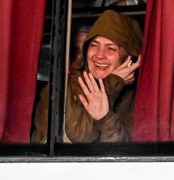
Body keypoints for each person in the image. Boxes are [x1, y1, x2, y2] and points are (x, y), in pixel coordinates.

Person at [31, 10, 142, 143]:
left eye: (111, 48)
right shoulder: (64, 88)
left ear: (128, 59)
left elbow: (121, 154)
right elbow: (78, 141)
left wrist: (106, 117)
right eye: (94, 45)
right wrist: (109, 87)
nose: (99, 55)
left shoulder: (138, 99)